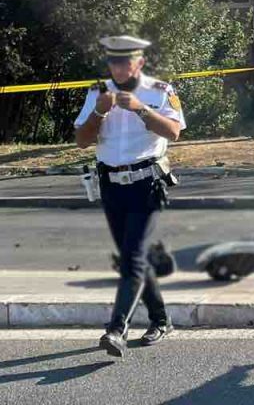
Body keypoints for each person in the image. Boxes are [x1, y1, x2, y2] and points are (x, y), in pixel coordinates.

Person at [74, 35, 186, 357]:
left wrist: (140, 110)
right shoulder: (97, 92)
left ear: (139, 62)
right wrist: (98, 113)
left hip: (146, 184)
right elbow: (82, 140)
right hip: (110, 185)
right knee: (133, 255)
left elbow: (174, 132)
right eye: (113, 61)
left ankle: (116, 330)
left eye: (125, 61)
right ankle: (161, 319)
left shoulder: (159, 91)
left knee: (133, 258)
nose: (119, 68)